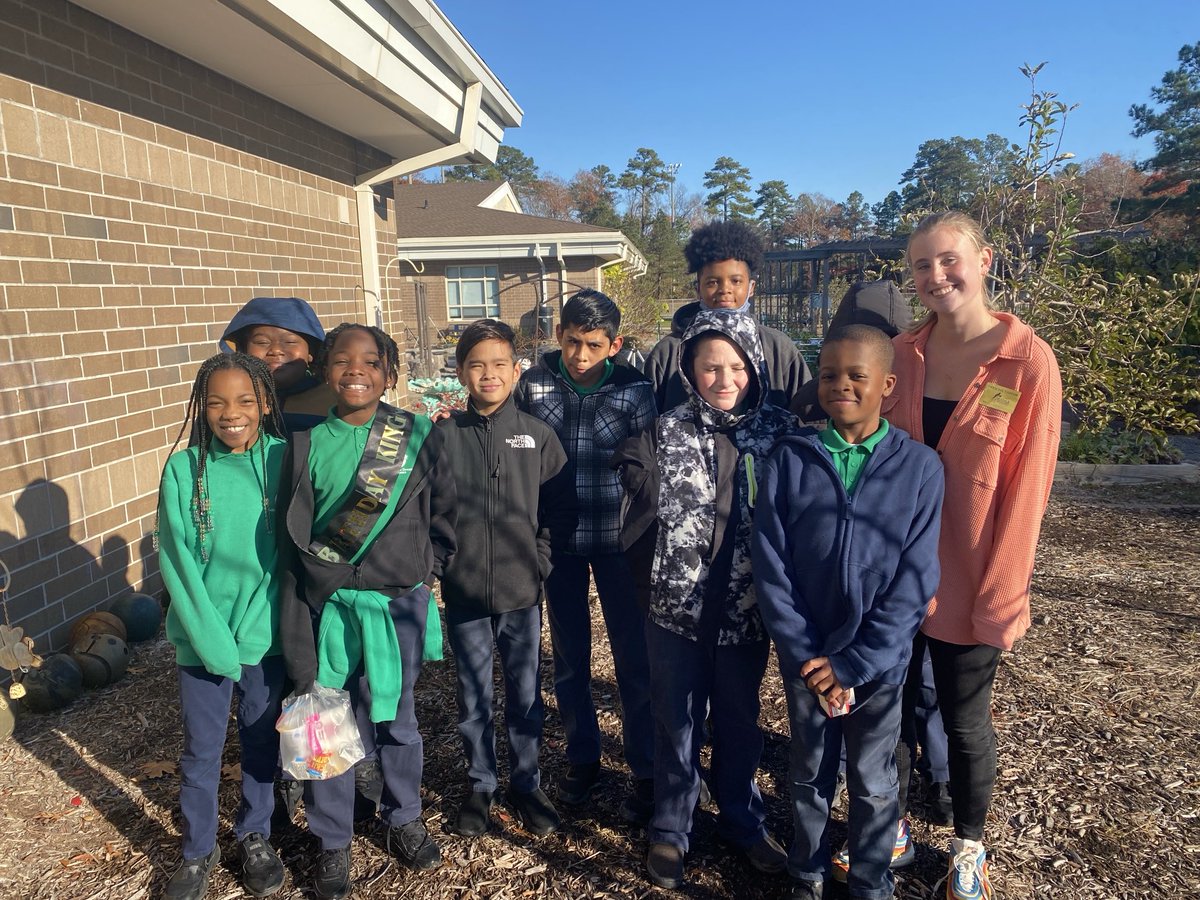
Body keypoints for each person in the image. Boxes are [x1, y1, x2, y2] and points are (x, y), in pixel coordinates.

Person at [885, 211, 1062, 900]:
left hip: (971, 579)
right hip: (896, 580)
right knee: (892, 712)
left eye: (948, 260)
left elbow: (1028, 492)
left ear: (984, 260)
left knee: (962, 721)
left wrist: (1002, 597)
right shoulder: (901, 354)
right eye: (922, 266)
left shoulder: (1025, 361)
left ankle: (967, 848)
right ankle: (892, 827)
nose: (936, 276)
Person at [753, 325, 945, 900]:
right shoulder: (790, 458)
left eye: (857, 376)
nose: (841, 386)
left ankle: (870, 880)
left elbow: (916, 580)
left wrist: (855, 662)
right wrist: (809, 655)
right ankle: (805, 873)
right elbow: (771, 564)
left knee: (872, 778)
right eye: (829, 374)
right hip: (807, 660)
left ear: (886, 385)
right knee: (810, 772)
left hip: (878, 665)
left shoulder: (920, 468)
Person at [613, 308, 795, 890]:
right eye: (709, 366)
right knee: (677, 721)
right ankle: (671, 827)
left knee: (740, 721)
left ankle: (742, 819)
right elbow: (636, 522)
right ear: (689, 368)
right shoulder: (662, 433)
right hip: (674, 613)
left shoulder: (782, 435)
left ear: (755, 367)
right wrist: (650, 590)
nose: (723, 379)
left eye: (736, 366)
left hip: (747, 612)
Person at [277, 323, 456, 900]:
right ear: (326, 370)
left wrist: (421, 573)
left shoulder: (421, 435)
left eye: (371, 362)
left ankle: (403, 816)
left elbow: (445, 515)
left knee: (397, 720)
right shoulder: (303, 445)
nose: (357, 370)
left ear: (390, 375)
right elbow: (294, 533)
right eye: (343, 360)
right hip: (327, 609)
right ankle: (333, 842)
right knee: (325, 722)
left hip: (394, 606)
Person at [513, 289, 658, 822]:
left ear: (615, 345)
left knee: (633, 657)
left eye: (594, 345)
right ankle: (583, 756)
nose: (580, 355)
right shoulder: (533, 384)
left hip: (621, 541)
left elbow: (648, 466)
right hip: (560, 539)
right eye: (572, 342)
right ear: (559, 337)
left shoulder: (635, 390)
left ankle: (645, 765)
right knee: (571, 656)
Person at [156, 353, 289, 900]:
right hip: (202, 640)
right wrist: (211, 640)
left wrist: (253, 632)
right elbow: (178, 560)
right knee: (202, 749)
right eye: (215, 402)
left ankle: (255, 834)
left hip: (265, 635)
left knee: (261, 740)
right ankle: (197, 850)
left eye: (244, 401)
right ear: (200, 407)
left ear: (264, 404)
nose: (230, 413)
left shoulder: (285, 459)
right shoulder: (183, 470)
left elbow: (288, 555)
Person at [437, 319, 576, 838]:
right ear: (459, 372)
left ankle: (526, 781)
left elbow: (560, 512)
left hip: (522, 593)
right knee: (473, 694)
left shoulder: (537, 436)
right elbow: (429, 510)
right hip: (466, 593)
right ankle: (480, 784)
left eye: (499, 364)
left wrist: (539, 563)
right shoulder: (444, 436)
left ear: (516, 372)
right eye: (476, 365)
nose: (488, 374)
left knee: (524, 694)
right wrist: (446, 564)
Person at [644, 220, 809, 412]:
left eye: (736, 281)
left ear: (751, 287)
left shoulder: (778, 348)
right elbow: (647, 424)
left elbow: (806, 415)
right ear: (698, 288)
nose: (725, 290)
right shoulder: (668, 352)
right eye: (713, 282)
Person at [220, 296, 336, 434]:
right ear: (243, 350)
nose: (275, 350)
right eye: (262, 342)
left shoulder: (333, 402)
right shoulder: (227, 400)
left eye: (290, 342)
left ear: (311, 352)